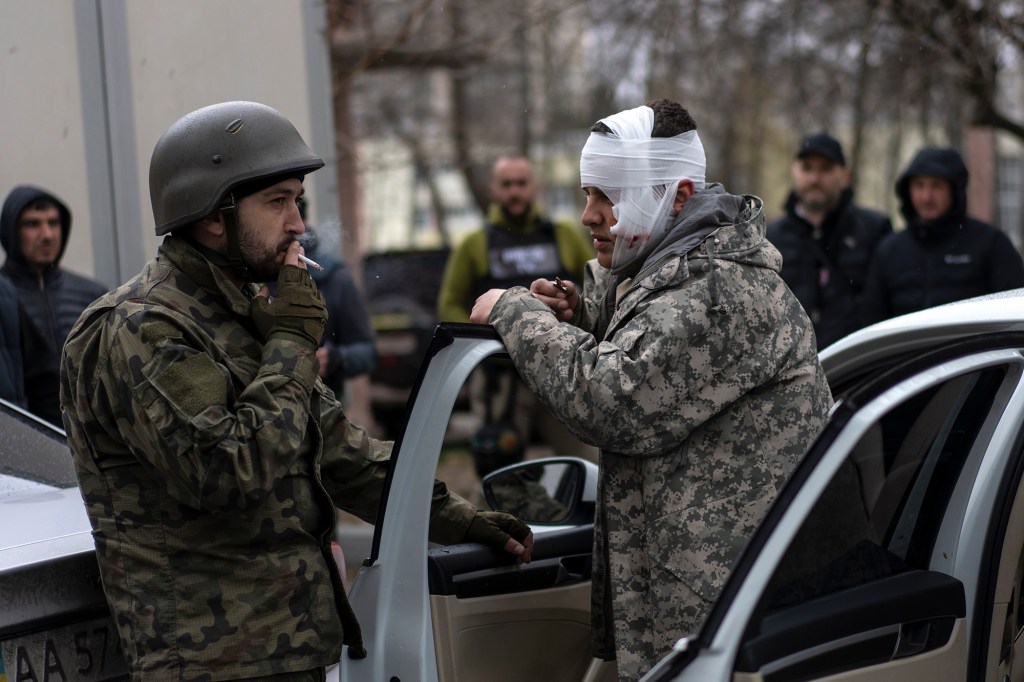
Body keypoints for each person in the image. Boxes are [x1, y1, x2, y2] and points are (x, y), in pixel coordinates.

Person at [59, 100, 532, 681]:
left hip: (290, 651)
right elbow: (228, 472)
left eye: (297, 202)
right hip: (213, 663)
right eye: (277, 202)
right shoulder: (142, 328)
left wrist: (460, 520)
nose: (297, 225)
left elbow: (338, 452)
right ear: (214, 216)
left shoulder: (245, 312)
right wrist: (289, 342)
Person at [470, 99, 832, 681]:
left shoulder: (720, 288)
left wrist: (515, 312)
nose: (589, 215)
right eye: (589, 194)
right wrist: (585, 318)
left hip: (729, 624)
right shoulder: (686, 273)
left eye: (607, 195)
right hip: (702, 613)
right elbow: (660, 362)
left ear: (679, 196)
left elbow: (611, 402)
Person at [436, 155, 597, 471]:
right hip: (501, 378)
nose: (514, 191)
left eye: (521, 183)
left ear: (534, 187)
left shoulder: (564, 235)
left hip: (562, 367)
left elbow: (595, 288)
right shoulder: (474, 244)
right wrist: (490, 340)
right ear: (493, 190)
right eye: (506, 184)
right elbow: (450, 304)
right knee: (499, 469)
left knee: (587, 463)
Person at [861, 147, 1024, 324]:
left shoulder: (991, 244)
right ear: (907, 190)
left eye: (936, 186)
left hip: (975, 350)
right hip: (907, 351)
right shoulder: (889, 251)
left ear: (955, 190)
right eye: (919, 185)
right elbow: (871, 322)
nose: (926, 197)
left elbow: (1014, 312)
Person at [766, 133, 892, 348]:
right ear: (794, 173)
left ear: (845, 176)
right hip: (789, 371)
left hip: (857, 365)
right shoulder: (770, 238)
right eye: (807, 168)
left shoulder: (874, 230)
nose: (814, 179)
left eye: (825, 169)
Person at [0, 185, 108, 424]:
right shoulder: (3, 299)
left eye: (53, 222)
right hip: (23, 441)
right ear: (11, 231)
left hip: (91, 442)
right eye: (33, 224)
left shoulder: (93, 295)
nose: (47, 235)